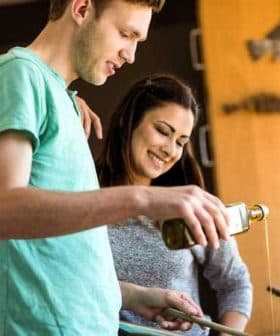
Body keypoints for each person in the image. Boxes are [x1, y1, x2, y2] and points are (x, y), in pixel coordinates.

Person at [0, 0, 230, 335]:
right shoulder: (19, 74)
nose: (131, 55)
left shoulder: (62, 98)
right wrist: (141, 199)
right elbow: (5, 210)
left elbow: (54, 256)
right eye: (126, 34)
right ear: (81, 9)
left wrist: (135, 296)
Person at [97, 73, 253, 335]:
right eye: (162, 131)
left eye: (181, 141)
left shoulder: (188, 207)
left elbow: (235, 283)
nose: (170, 150)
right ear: (128, 120)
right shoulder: (82, 198)